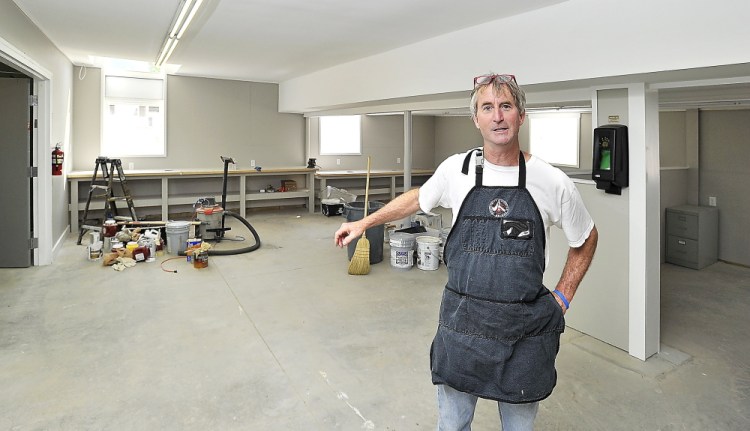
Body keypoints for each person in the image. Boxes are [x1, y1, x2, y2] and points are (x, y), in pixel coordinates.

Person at [334, 73, 598, 430]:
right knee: (453, 425)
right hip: (462, 326)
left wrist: (562, 297)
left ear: (521, 114)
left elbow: (586, 237)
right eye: (487, 108)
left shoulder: (550, 181)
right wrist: (365, 222)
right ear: (476, 119)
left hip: (523, 331)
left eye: (506, 106)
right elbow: (418, 198)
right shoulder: (456, 170)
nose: (498, 116)